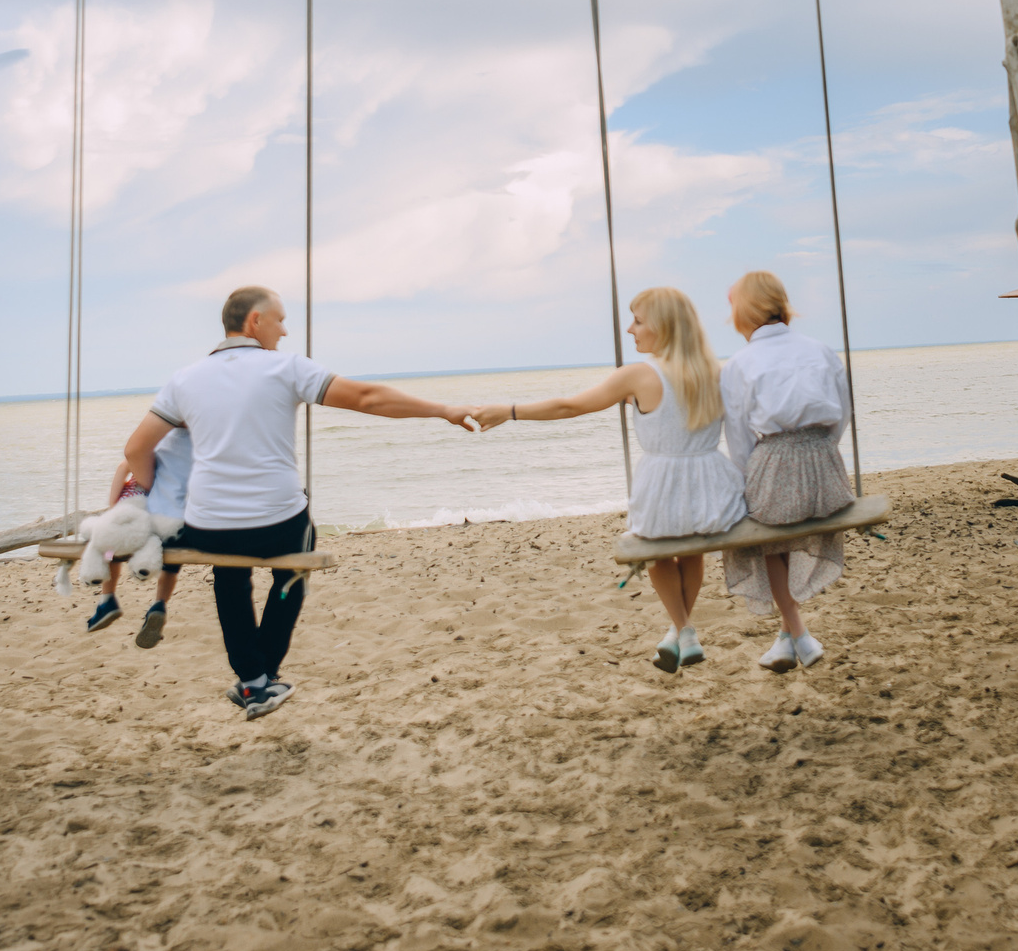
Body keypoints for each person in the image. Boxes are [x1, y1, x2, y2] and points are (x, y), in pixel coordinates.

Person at [117, 285, 477, 718]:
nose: (285, 331)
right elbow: (367, 398)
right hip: (277, 523)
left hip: (210, 524)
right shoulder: (286, 368)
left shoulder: (184, 379)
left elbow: (137, 450)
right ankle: (263, 676)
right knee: (292, 565)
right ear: (255, 321)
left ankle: (252, 681)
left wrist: (156, 499)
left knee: (229, 576)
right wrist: (443, 410)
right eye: (280, 320)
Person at [470, 288, 743, 673]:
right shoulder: (715, 370)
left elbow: (570, 406)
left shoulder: (637, 375)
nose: (630, 329)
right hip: (714, 487)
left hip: (662, 484)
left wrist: (510, 411)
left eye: (638, 320)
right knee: (691, 549)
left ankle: (684, 630)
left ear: (661, 326)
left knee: (655, 551)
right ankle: (678, 632)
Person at [719, 270, 853, 672]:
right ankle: (785, 639)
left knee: (759, 537)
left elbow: (740, 439)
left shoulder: (739, 363)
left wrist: (748, 482)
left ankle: (798, 632)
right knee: (779, 524)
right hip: (827, 472)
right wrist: (821, 453)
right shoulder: (820, 349)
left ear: (744, 310)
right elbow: (842, 416)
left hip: (775, 463)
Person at [85, 425, 192, 648]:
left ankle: (107, 599)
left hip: (135, 529)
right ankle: (159, 604)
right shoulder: (199, 447)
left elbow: (114, 503)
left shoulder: (143, 468)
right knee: (169, 565)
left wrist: (125, 472)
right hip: (172, 526)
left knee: (109, 549)